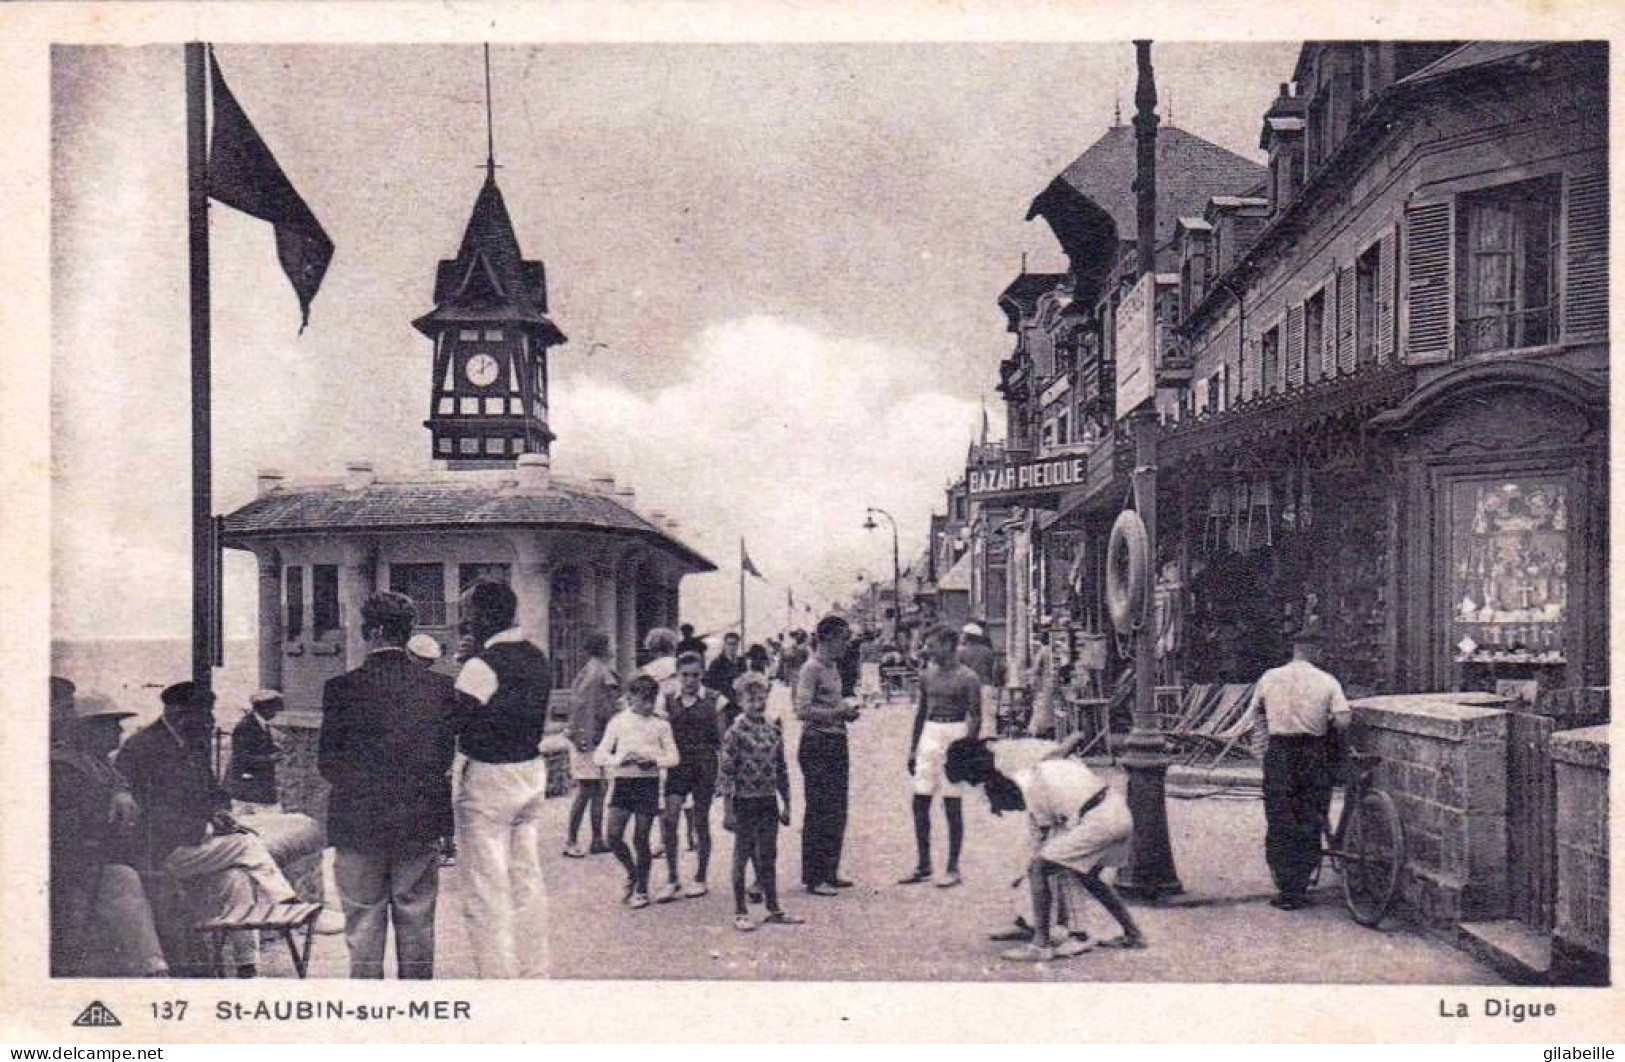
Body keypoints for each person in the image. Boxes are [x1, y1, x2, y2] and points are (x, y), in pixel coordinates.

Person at [116, 680, 304, 978]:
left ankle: (247, 966)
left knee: (238, 878)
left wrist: (218, 812)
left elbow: (212, 790)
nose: (211, 721)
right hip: (162, 853)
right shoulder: (140, 749)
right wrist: (204, 825)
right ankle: (286, 902)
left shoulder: (190, 742)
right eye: (205, 714)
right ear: (178, 712)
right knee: (246, 844)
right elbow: (146, 813)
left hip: (192, 846)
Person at [319, 591, 459, 979]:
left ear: (374, 630)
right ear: (405, 631)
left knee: (363, 922)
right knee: (416, 919)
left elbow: (328, 764)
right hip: (419, 819)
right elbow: (442, 760)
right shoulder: (440, 689)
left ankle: (370, 1012)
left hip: (358, 822)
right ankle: (415, 1010)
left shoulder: (341, 689)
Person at [945, 737, 1146, 962]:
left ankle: (1042, 944)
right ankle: (1133, 934)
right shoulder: (1029, 774)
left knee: (1039, 867)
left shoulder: (1027, 784)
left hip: (1099, 819)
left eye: (1008, 807)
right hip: (1114, 809)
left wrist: (1027, 870)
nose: (1014, 810)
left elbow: (1041, 840)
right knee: (1087, 876)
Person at [453, 578, 553, 978]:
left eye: (465, 615)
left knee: (486, 888)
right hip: (529, 772)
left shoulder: (480, 666)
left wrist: (463, 664)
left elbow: (455, 720)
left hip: (489, 779)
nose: (463, 624)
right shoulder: (537, 657)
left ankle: (498, 980)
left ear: (480, 617)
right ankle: (536, 972)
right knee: (526, 880)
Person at [49, 677, 168, 977]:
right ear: (86, 729)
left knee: (164, 888)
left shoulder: (96, 763)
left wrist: (121, 791)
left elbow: (117, 785)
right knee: (126, 880)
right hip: (78, 866)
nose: (118, 731)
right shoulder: (65, 767)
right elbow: (82, 827)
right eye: (110, 724)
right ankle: (153, 970)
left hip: (100, 859)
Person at [1248, 629, 1349, 910]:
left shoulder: (1269, 678)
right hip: (1312, 754)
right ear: (1315, 650)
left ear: (1294, 649)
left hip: (1279, 753)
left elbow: (1256, 715)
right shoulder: (1327, 681)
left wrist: (1261, 751)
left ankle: (1285, 886)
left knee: (1279, 817)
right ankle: (1300, 886)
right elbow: (1342, 721)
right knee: (1310, 816)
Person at [719, 672, 803, 932]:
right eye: (751, 698)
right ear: (741, 700)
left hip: (767, 799)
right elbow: (726, 772)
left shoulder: (772, 728)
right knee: (742, 855)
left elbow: (782, 769)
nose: (757, 703)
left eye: (761, 697)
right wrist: (728, 809)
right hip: (744, 801)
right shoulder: (734, 732)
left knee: (768, 855)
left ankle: (774, 907)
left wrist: (787, 803)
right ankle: (740, 911)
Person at [900, 626, 981, 888]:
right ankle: (923, 864)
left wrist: (968, 750)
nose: (927, 650)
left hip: (955, 733)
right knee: (920, 799)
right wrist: (913, 748)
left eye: (932, 645)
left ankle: (952, 867)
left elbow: (976, 716)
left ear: (948, 645)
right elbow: (921, 713)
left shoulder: (968, 678)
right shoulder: (926, 675)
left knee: (951, 802)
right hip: (930, 734)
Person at [595, 674, 679, 908]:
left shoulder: (661, 724)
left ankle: (642, 888)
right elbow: (600, 755)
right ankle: (632, 872)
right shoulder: (618, 722)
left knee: (641, 838)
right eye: (643, 700)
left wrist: (652, 760)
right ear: (631, 698)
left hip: (647, 784)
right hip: (623, 782)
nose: (648, 705)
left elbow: (673, 757)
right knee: (612, 835)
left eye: (652, 700)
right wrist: (620, 759)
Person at [651, 651, 727, 901]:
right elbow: (659, 734)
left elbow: (723, 742)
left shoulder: (716, 700)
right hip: (677, 765)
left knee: (700, 822)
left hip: (704, 764)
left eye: (695, 675)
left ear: (702, 674)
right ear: (678, 675)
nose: (690, 680)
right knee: (669, 819)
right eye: (685, 675)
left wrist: (723, 776)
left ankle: (700, 877)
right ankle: (672, 878)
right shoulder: (668, 700)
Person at [796, 614, 861, 896]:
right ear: (828, 639)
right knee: (820, 809)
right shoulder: (811, 668)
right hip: (817, 743)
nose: (846, 645)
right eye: (842, 639)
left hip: (836, 740)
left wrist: (847, 714)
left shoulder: (833, 667)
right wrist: (839, 712)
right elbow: (802, 710)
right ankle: (814, 876)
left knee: (837, 809)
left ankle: (830, 871)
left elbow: (831, 706)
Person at [564, 632, 619, 859]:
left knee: (597, 789)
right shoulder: (601, 673)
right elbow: (600, 708)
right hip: (590, 738)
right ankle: (572, 839)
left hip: (587, 737)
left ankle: (596, 838)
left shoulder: (589, 670)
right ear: (604, 647)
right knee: (588, 789)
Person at [227, 691, 284, 816]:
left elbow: (257, 746)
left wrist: (274, 748)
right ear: (263, 707)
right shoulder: (246, 726)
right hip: (248, 784)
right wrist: (269, 759)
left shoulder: (260, 724)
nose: (276, 713)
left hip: (257, 784)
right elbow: (240, 756)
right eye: (273, 708)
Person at [957, 622, 998, 735]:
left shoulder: (960, 651)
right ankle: (987, 736)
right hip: (986, 685)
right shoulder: (988, 652)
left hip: (967, 687)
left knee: (968, 714)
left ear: (967, 636)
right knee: (987, 714)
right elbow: (994, 670)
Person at [1027, 632, 1057, 738]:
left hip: (1045, 682)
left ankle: (1038, 730)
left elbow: (1036, 669)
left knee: (1042, 706)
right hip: (1051, 681)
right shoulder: (1052, 650)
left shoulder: (1043, 651)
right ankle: (1047, 728)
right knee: (1048, 707)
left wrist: (1032, 678)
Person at [704, 631, 746, 705]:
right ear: (724, 645)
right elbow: (708, 683)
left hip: (739, 700)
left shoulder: (742, 661)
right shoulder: (717, 663)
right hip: (724, 701)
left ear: (738, 645)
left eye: (734, 644)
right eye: (729, 644)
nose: (732, 647)